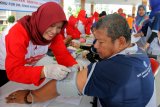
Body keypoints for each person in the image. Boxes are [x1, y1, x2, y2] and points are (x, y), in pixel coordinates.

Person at [6, 14, 155, 107]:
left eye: (101, 42)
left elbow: (64, 83)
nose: (95, 47)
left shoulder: (114, 68)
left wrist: (30, 97)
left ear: (121, 41)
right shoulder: (140, 52)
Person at [0, 2, 78, 87]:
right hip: (5, 71)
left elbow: (63, 54)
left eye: (59, 27)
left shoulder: (54, 35)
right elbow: (14, 71)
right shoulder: (17, 33)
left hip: (26, 69)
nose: (54, 31)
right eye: (51, 25)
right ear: (42, 21)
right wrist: (44, 71)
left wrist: (73, 65)